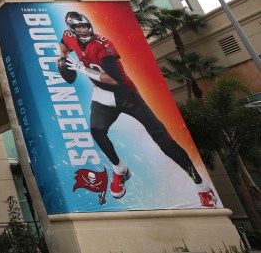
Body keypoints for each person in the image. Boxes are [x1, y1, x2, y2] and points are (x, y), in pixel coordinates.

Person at [56, 11, 216, 208]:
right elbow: (64, 41)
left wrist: (83, 70)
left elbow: (117, 80)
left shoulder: (103, 46)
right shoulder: (69, 36)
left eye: (85, 26)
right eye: (79, 28)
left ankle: (202, 187)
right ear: (73, 29)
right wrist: (63, 57)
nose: (83, 30)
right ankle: (119, 168)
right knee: (97, 131)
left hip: (126, 95)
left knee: (164, 141)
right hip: (102, 94)